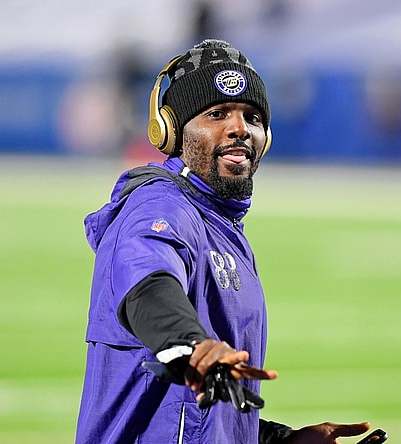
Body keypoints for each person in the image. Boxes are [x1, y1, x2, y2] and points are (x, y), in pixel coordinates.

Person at [75, 39, 372, 443]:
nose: (238, 129)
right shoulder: (158, 207)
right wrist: (190, 344)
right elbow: (147, 286)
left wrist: (279, 441)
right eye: (217, 114)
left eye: (252, 116)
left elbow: (192, 411)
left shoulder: (223, 228)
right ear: (172, 132)